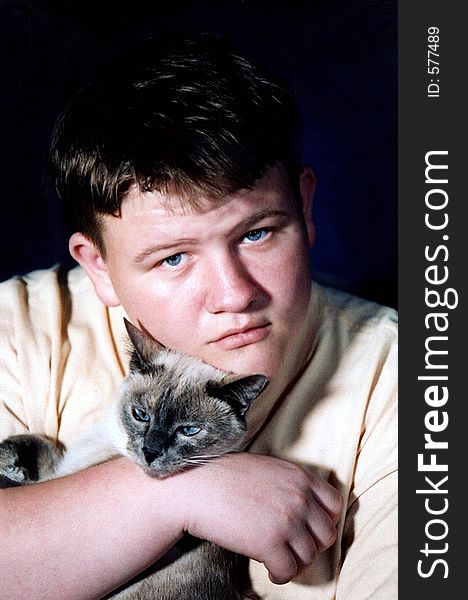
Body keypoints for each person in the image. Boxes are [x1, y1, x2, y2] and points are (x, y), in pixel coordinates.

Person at [0, 33, 397, 599]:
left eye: (256, 233)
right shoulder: (18, 327)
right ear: (100, 268)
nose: (234, 295)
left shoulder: (414, 382)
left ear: (305, 209)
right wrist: (169, 494)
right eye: (174, 257)